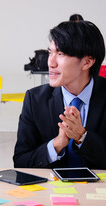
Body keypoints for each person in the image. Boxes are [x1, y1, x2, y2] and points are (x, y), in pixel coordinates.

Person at [13, 20, 106, 169]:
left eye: (61, 53)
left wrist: (82, 137)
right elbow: (21, 161)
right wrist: (56, 145)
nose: (51, 63)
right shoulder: (34, 99)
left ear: (87, 62)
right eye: (50, 52)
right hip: (51, 191)